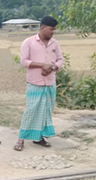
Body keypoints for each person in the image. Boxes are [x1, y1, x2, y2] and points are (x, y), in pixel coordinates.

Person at [13, 16, 64, 151]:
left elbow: (60, 60)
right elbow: (24, 62)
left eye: (54, 30)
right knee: (31, 110)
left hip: (50, 82)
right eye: (51, 29)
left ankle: (39, 137)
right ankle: (21, 139)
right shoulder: (29, 42)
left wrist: (52, 67)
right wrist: (43, 65)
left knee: (46, 111)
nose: (53, 32)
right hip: (35, 82)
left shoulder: (55, 43)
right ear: (42, 28)